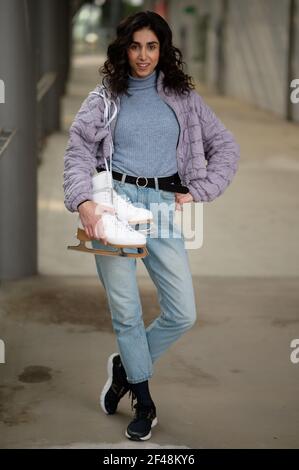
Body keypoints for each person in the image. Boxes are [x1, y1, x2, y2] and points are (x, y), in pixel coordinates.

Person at [63, 10, 240, 442]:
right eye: (136, 46)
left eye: (152, 46)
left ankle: (125, 366)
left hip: (161, 208)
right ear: (124, 48)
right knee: (126, 311)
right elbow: (78, 151)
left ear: (163, 49)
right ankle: (144, 400)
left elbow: (226, 146)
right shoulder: (105, 97)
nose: (144, 55)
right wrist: (84, 201)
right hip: (114, 206)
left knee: (182, 312)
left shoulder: (183, 97)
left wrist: (200, 190)